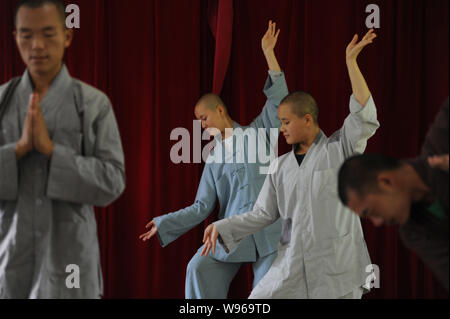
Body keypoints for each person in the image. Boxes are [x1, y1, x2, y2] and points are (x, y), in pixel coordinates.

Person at [202, 29, 380, 299]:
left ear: (307, 119)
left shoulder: (339, 150)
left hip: (338, 271)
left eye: (286, 122)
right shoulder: (279, 167)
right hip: (292, 268)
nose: (281, 129)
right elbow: (261, 214)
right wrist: (222, 226)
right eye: (280, 122)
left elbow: (363, 116)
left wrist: (351, 63)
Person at [139, 21, 288, 299]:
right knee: (198, 268)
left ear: (220, 110)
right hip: (232, 233)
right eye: (198, 121)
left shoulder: (260, 132)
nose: (201, 125)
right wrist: (164, 222)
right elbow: (201, 206)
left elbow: (280, 103)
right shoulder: (214, 159)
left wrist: (269, 54)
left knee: (265, 296)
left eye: (203, 118)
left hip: (269, 233)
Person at [0, 0, 125, 298]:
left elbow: (113, 181)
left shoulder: (93, 104)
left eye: (48, 33)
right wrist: (18, 150)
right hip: (10, 259)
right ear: (15, 36)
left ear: (67, 36)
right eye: (26, 34)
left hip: (71, 264)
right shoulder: (3, 101)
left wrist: (51, 151)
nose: (37, 45)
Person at [337, 98, 449, 292]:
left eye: (370, 212)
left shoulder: (443, 136)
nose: (378, 223)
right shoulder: (412, 231)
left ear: (386, 182)